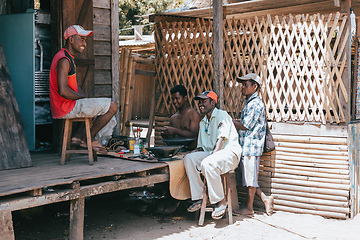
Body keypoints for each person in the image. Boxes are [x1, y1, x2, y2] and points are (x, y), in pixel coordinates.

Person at [49, 25, 118, 151]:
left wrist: (85, 99)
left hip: (66, 106)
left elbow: (74, 88)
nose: (84, 44)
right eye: (81, 39)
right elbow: (63, 91)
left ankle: (77, 137)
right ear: (71, 40)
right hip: (65, 107)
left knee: (93, 105)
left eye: (85, 40)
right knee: (113, 105)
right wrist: (82, 98)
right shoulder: (64, 59)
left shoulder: (67, 57)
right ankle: (88, 138)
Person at [184, 91, 241, 220]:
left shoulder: (222, 115)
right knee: (189, 159)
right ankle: (199, 197)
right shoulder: (203, 121)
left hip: (229, 153)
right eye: (200, 101)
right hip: (213, 154)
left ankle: (220, 201)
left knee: (208, 163)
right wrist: (193, 153)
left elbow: (221, 140)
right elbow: (201, 147)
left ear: (213, 102)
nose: (200, 104)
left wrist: (210, 157)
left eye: (204, 101)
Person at [232, 73, 274, 216]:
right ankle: (265, 199)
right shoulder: (250, 102)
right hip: (247, 146)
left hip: (251, 146)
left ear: (254, 86)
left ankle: (249, 208)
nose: (242, 87)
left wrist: (229, 121)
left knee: (250, 179)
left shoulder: (256, 104)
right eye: (242, 85)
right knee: (249, 177)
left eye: (245, 85)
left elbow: (245, 125)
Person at [161, 85, 201, 150]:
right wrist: (166, 134)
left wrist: (175, 131)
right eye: (173, 99)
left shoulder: (193, 114)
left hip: (191, 151)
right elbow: (172, 138)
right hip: (176, 151)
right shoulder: (173, 117)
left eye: (177, 98)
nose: (174, 101)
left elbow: (195, 135)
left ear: (185, 98)